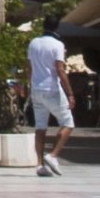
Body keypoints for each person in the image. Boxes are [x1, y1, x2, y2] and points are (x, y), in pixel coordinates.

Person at [26, 20, 75, 177]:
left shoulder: (33, 43)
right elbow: (60, 70)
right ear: (57, 28)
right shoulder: (58, 45)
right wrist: (70, 93)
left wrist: (31, 85)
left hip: (36, 89)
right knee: (68, 123)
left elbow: (29, 67)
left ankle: (40, 165)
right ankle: (53, 155)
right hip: (52, 89)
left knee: (40, 127)